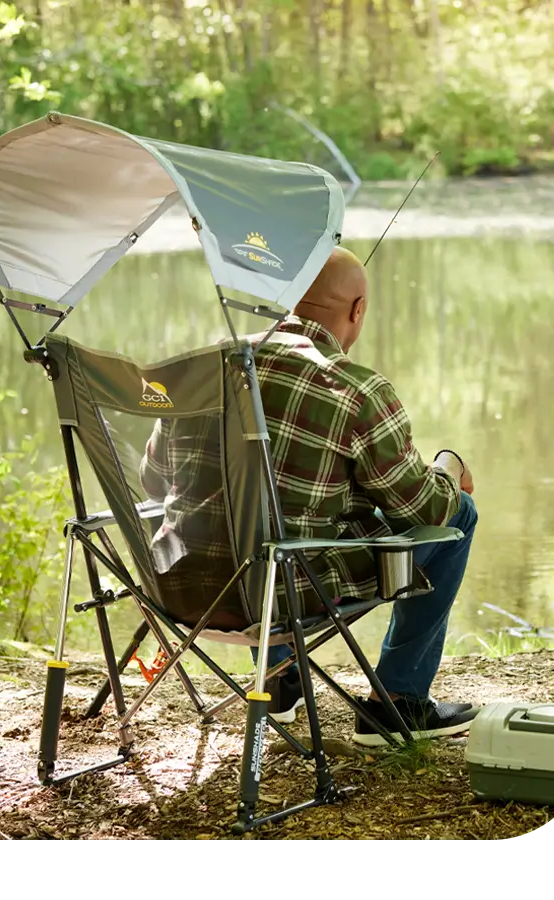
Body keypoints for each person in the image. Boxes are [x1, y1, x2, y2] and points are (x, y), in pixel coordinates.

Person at [141, 247, 479, 746]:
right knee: (460, 514)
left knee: (276, 521)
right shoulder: (357, 390)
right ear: (357, 309)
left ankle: (279, 687)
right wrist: (449, 468)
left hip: (180, 586)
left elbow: (154, 481)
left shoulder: (203, 369)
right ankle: (399, 703)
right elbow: (426, 509)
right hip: (280, 593)